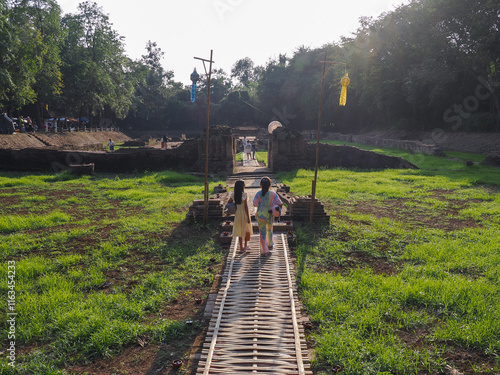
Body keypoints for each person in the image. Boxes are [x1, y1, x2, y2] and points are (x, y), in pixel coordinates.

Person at [253, 177, 282, 256]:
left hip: (260, 216)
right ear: (270, 185)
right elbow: (280, 203)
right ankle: (270, 244)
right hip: (269, 216)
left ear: (261, 185)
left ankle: (264, 251)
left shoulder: (258, 194)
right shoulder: (273, 194)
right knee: (269, 229)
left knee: (262, 233)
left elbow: (254, 204)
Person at [228, 180, 252, 252]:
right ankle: (245, 246)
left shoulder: (233, 195)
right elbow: (246, 207)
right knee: (246, 229)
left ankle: (241, 247)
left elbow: (229, 202)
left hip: (238, 213)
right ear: (242, 187)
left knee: (240, 230)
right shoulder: (244, 194)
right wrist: (248, 217)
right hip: (244, 213)